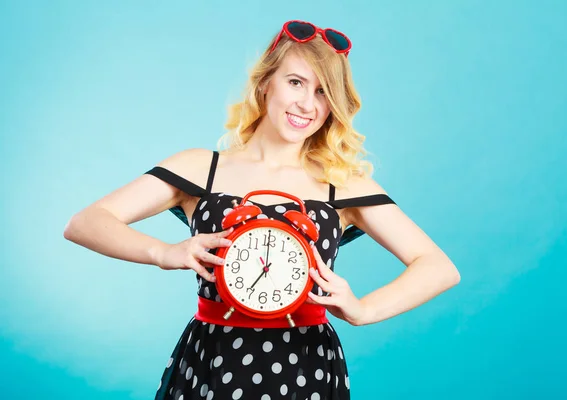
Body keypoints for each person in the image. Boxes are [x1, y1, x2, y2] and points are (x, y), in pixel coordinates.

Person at [64, 20, 460, 400]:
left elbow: (438, 267)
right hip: (214, 357)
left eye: (324, 92)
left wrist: (362, 310)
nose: (308, 103)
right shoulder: (201, 167)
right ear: (266, 82)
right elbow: (86, 223)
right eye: (296, 82)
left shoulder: (344, 183)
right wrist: (165, 253)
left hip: (305, 365)